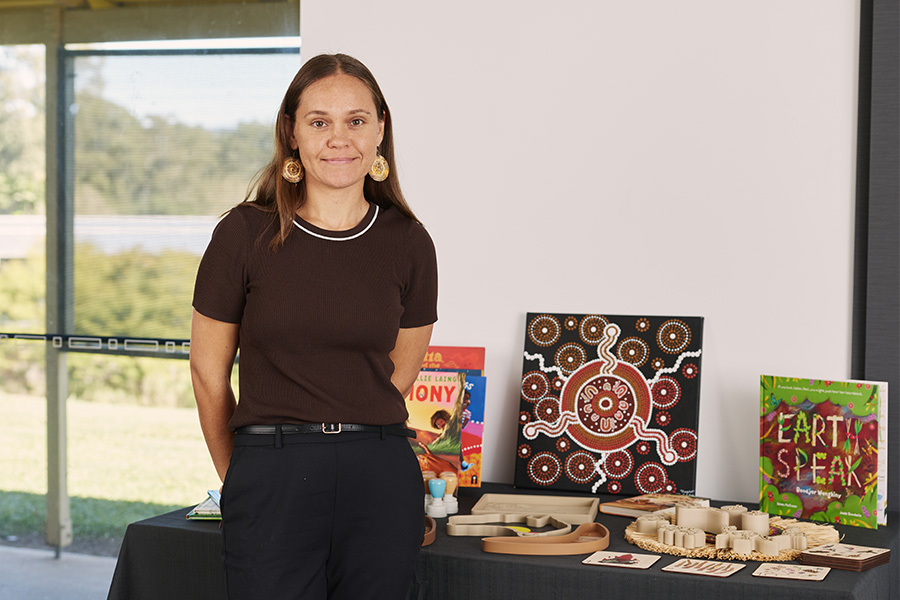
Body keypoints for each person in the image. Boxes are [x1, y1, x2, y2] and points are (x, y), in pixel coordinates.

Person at [189, 53, 438, 600]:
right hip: (270, 472)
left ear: (380, 132)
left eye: (355, 121)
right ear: (292, 134)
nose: (339, 138)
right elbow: (208, 372)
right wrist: (242, 477)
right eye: (319, 122)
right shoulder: (243, 233)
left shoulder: (409, 242)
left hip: (380, 476)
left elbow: (400, 372)